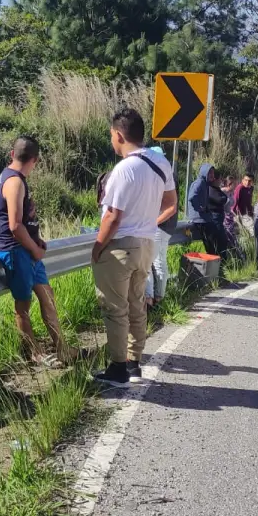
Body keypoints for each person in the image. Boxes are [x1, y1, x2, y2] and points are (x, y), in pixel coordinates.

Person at [91, 109, 177, 386]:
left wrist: (98, 246)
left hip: (120, 246)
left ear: (118, 134)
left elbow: (113, 216)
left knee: (115, 308)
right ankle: (133, 363)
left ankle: (117, 369)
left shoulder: (124, 169)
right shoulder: (161, 162)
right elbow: (171, 203)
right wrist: (147, 221)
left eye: (111, 136)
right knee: (137, 304)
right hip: (146, 243)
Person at [0, 135, 69, 364]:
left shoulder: (13, 178)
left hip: (28, 249)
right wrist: (34, 249)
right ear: (35, 160)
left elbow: (23, 222)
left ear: (12, 154)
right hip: (17, 251)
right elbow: (15, 226)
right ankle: (35, 353)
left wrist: (37, 240)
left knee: (48, 297)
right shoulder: (14, 182)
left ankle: (62, 348)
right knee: (23, 305)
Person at [144, 146, 177, 308]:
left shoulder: (159, 176)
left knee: (147, 262)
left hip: (159, 225)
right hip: (168, 227)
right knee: (160, 261)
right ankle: (159, 297)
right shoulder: (170, 175)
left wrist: (152, 222)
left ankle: (149, 299)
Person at [187, 164, 230, 260]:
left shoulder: (205, 184)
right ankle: (214, 267)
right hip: (200, 219)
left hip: (205, 218)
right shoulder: (199, 183)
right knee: (211, 245)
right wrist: (199, 208)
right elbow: (191, 197)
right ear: (204, 172)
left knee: (214, 244)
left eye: (212, 173)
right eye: (209, 173)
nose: (212, 175)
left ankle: (216, 267)